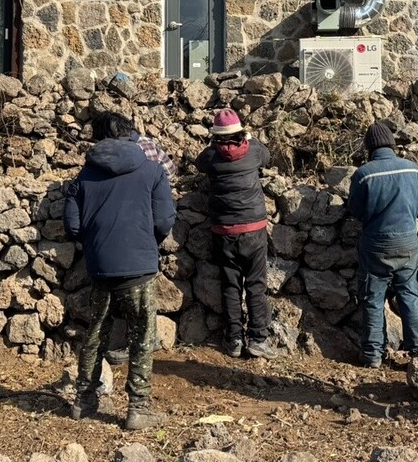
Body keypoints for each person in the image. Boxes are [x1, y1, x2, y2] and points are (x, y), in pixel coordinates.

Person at [64, 111, 176, 430]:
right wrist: (146, 241)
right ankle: (138, 409)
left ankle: (84, 401)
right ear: (131, 134)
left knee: (96, 334)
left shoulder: (85, 176)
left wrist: (97, 244)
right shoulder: (151, 170)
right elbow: (164, 219)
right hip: (139, 267)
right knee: (142, 336)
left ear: (98, 137)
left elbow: (72, 226)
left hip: (100, 267)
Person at [195, 108, 281, 360]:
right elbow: (266, 155)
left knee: (230, 284)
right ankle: (258, 340)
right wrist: (250, 137)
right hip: (253, 229)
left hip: (223, 231)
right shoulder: (253, 150)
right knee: (256, 285)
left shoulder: (211, 156)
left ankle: (233, 339)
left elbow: (198, 163)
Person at [348, 121, 418, 368]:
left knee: (372, 298)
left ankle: (373, 354)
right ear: (392, 144)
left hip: (376, 243)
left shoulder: (364, 174)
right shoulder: (413, 169)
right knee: (409, 295)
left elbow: (356, 210)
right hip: (407, 241)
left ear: (369, 147)